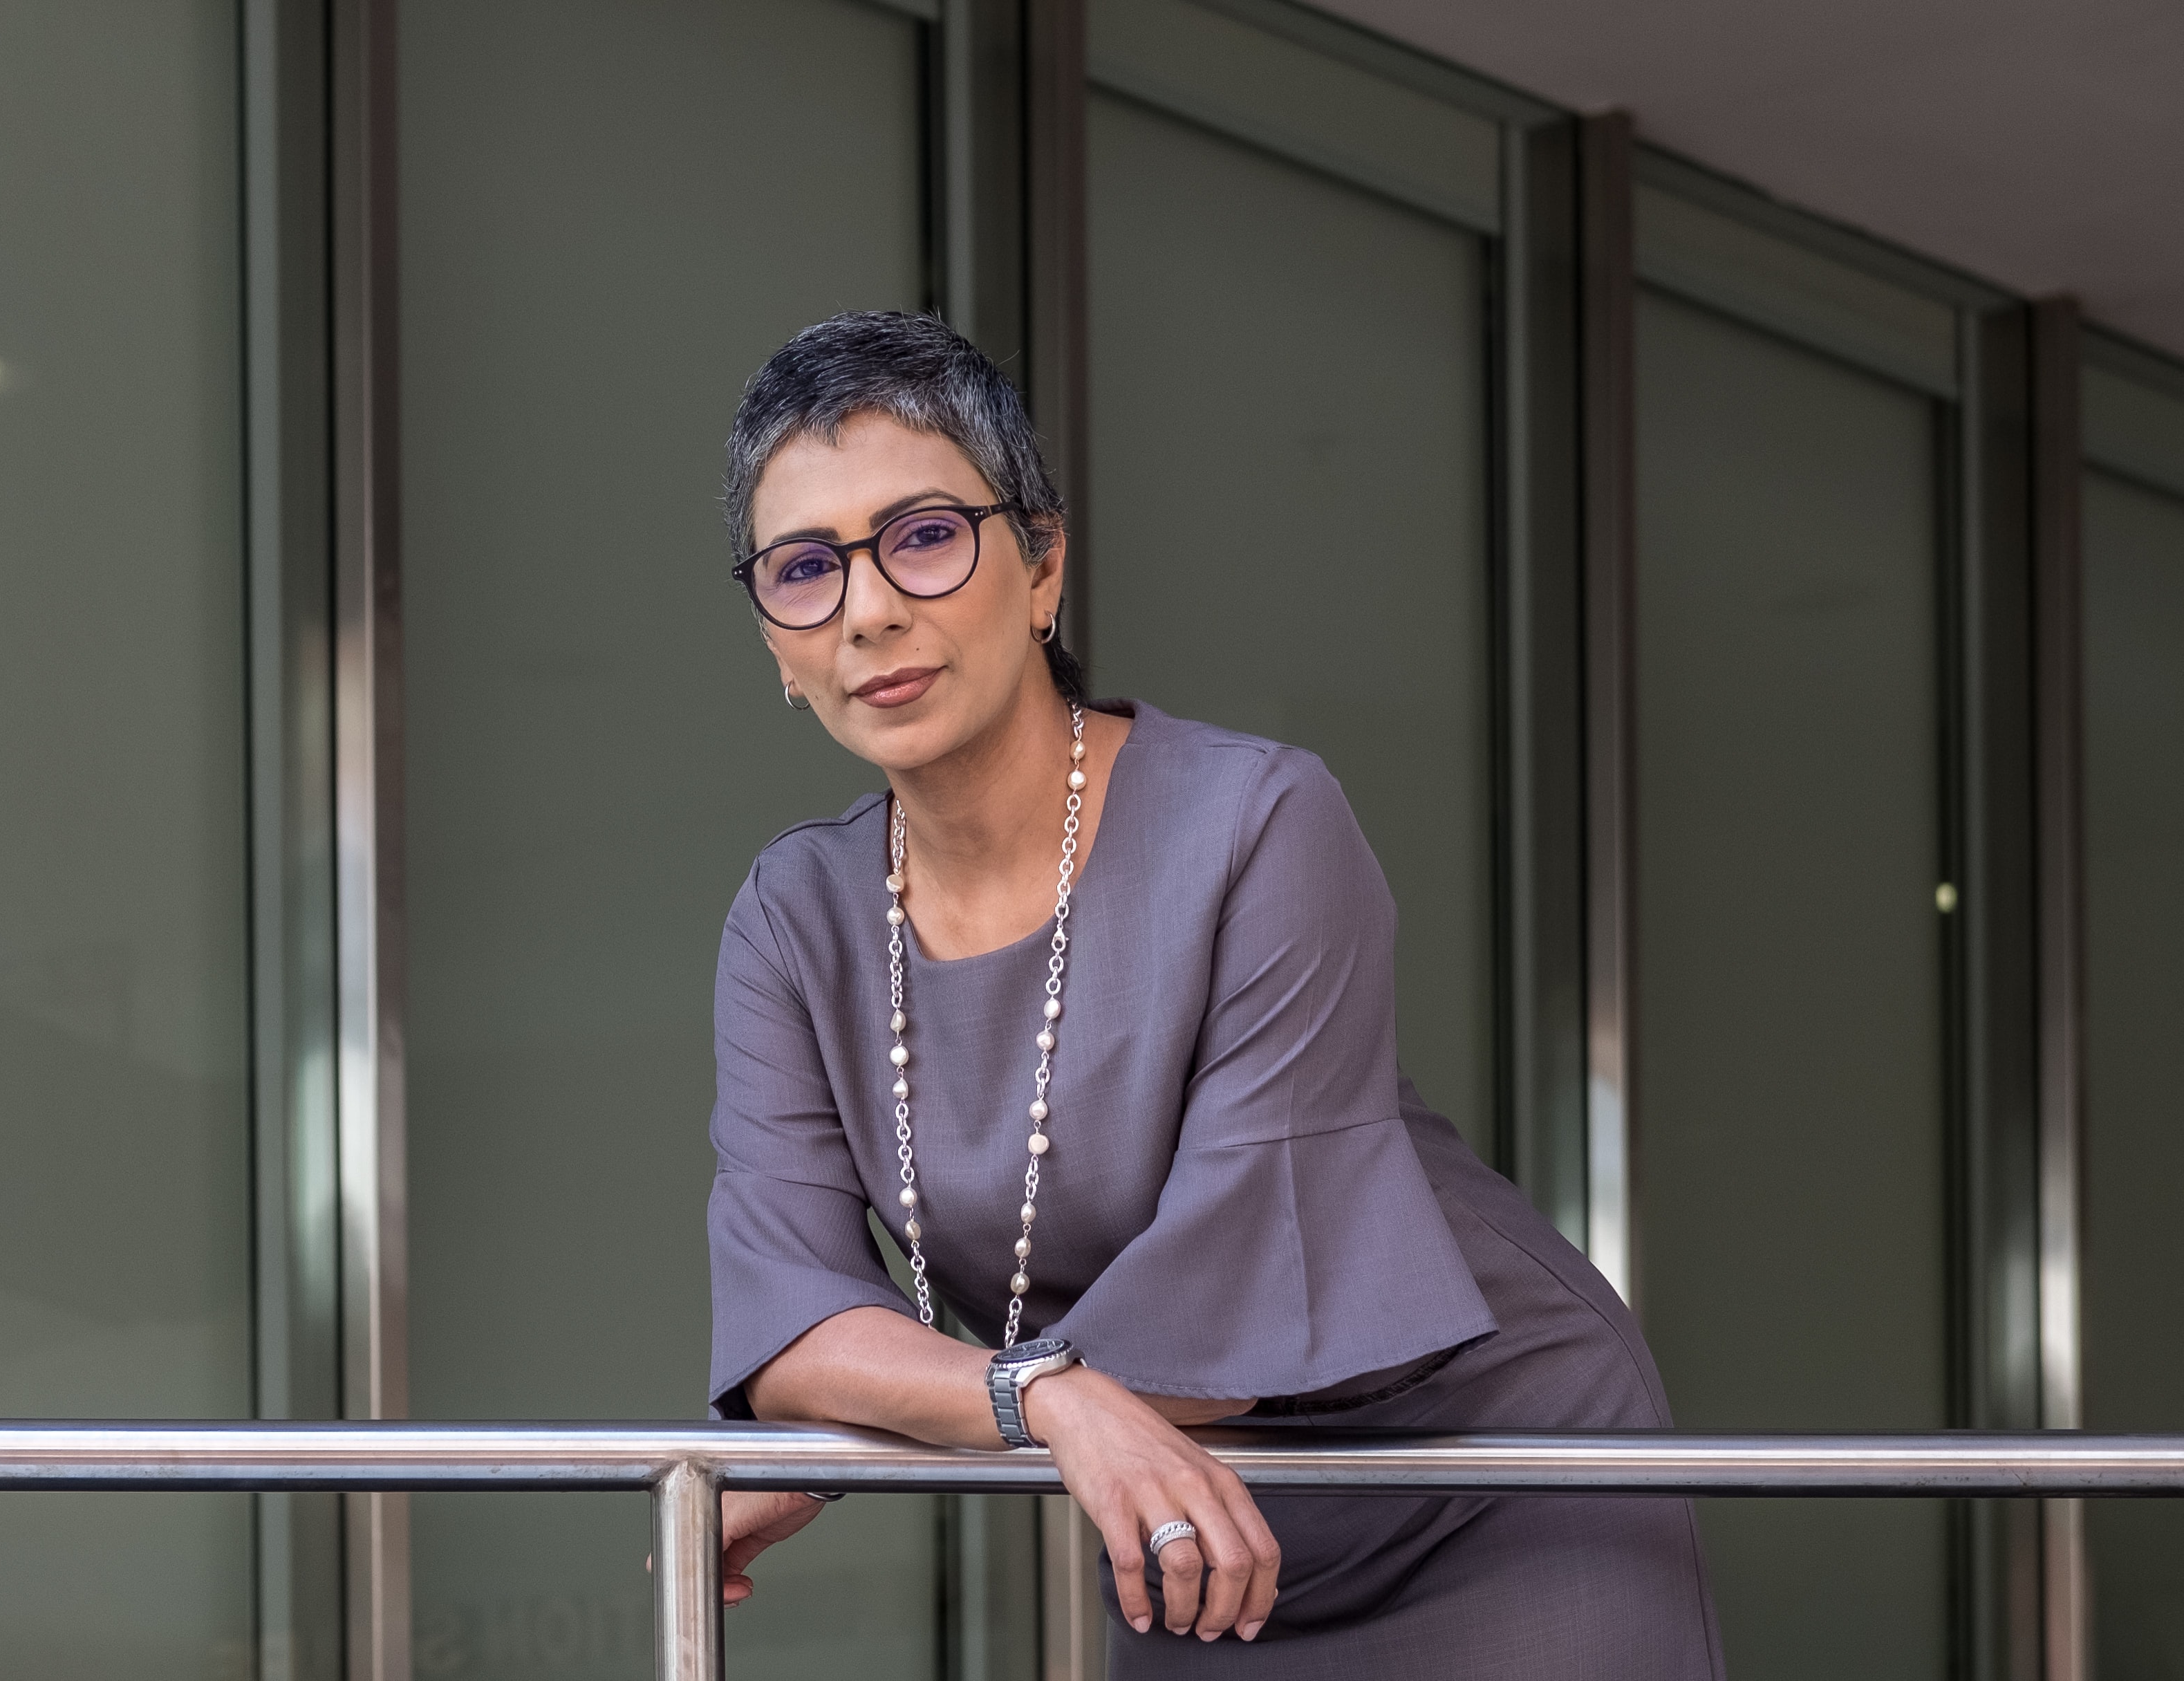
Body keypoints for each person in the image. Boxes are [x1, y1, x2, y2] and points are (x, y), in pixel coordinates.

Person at [704, 310, 1723, 1677]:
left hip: (1488, 1473)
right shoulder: (793, 915)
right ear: (774, 640)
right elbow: (794, 1331)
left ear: (1042, 564)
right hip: (1175, 1506)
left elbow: (1239, 1308)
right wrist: (1025, 1404)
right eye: (804, 568)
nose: (869, 607)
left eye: (925, 535)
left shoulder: (1256, 820)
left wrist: (910, 1420)